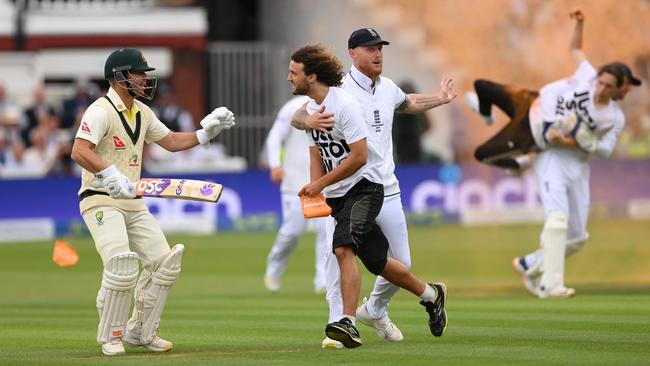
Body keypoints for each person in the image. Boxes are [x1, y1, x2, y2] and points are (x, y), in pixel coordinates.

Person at [291, 29, 456, 348]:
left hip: (385, 187)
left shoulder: (388, 87)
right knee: (338, 254)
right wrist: (307, 123)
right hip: (344, 188)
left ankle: (376, 310)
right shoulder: (338, 87)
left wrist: (441, 99)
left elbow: (408, 103)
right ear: (353, 53)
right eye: (370, 49)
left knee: (397, 264)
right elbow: (299, 115)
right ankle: (338, 327)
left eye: (380, 48)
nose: (378, 53)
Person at [70, 48, 235, 356]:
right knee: (121, 264)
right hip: (99, 198)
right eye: (138, 73)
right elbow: (79, 150)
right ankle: (112, 335)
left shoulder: (142, 113)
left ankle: (140, 332)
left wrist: (204, 133)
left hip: (132, 200)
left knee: (164, 264)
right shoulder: (100, 110)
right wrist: (108, 173)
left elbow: (170, 141)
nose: (145, 79)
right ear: (120, 77)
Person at [465, 10, 641, 297]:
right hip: (550, 158)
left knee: (577, 237)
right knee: (557, 220)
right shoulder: (586, 77)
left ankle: (529, 263)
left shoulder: (613, 117)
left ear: (619, 89)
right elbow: (576, 49)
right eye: (600, 81)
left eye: (609, 86)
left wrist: (580, 143)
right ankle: (551, 283)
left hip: (578, 165)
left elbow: (607, 150)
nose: (600, 88)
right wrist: (580, 23)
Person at [263, 95, 329, 293]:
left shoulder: (334, 103)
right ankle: (274, 269)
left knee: (326, 232)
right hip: (294, 182)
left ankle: (323, 281)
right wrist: (275, 164)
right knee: (292, 232)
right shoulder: (292, 106)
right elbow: (275, 137)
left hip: (323, 182)